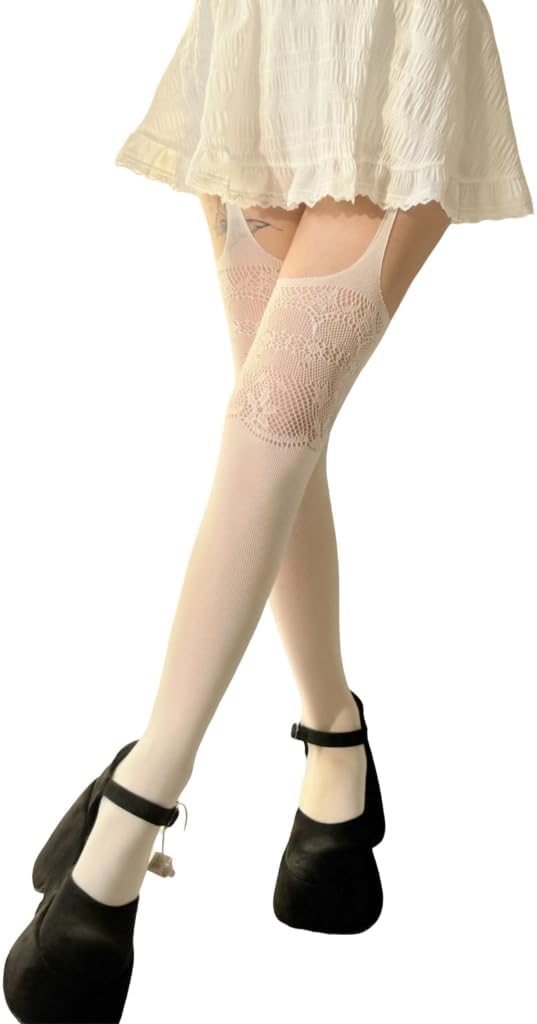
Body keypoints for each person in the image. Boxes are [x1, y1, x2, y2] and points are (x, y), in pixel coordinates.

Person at [3, 1, 533, 1021]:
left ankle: (139, 798)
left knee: (274, 419)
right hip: (261, 45)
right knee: (279, 436)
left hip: (398, 45)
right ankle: (336, 749)